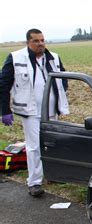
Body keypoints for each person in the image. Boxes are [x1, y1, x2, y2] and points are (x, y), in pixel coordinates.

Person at [0, 29, 69, 197]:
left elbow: (64, 78)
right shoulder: (15, 58)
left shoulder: (53, 57)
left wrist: (60, 95)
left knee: (52, 143)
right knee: (34, 147)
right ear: (28, 43)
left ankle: (53, 174)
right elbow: (3, 84)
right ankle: (34, 182)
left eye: (42, 40)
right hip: (30, 111)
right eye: (36, 41)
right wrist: (5, 110)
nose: (40, 44)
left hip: (51, 110)